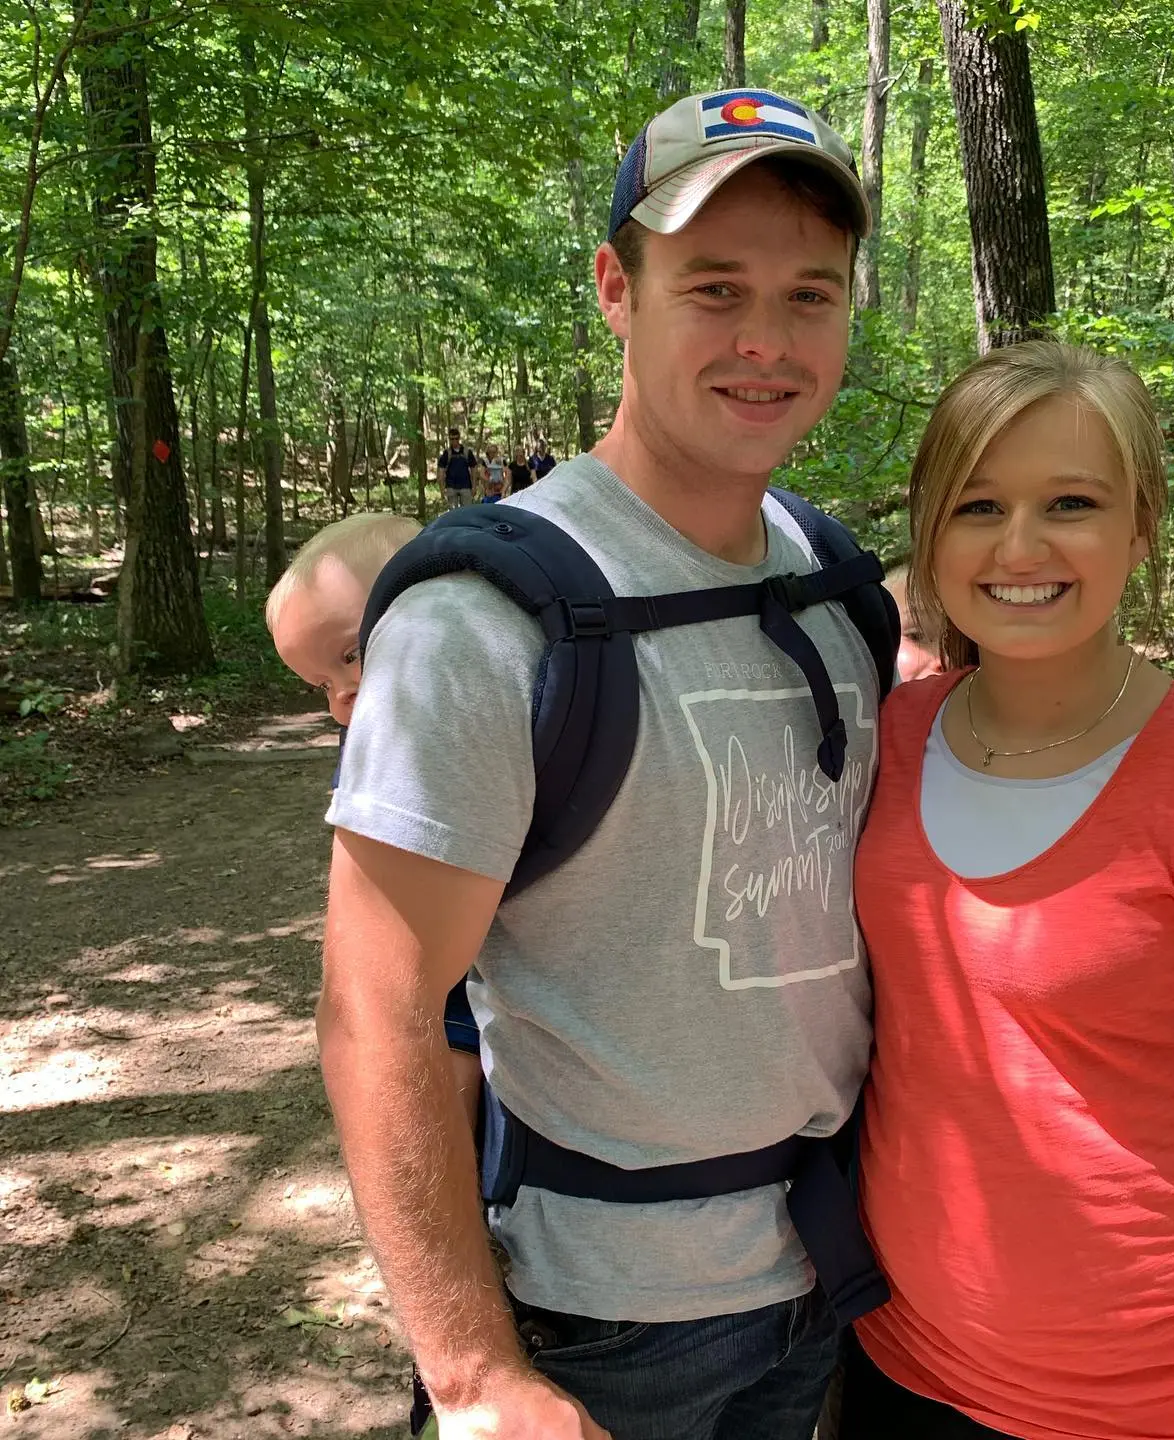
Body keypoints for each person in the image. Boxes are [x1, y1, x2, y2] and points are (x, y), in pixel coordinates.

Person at [319, 88, 883, 1440]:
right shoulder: (487, 624)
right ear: (615, 288)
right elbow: (375, 1016)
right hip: (601, 1324)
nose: (767, 339)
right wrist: (472, 1374)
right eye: (716, 287)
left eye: (812, 294)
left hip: (829, 1279)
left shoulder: (832, 581)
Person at [841, 342, 1174, 1440]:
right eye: (978, 505)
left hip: (1134, 1403)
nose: (1020, 546)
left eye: (1070, 502)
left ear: (1141, 524)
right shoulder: (886, 744)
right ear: (931, 534)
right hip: (897, 1360)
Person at [264, 512, 486, 1134]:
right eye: (320, 683)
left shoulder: (487, 690)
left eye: (352, 654)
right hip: (435, 941)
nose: (342, 696)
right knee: (440, 1043)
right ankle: (460, 1180)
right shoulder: (376, 741)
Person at [438, 428, 477, 509]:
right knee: (452, 512)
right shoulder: (447, 453)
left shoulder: (467, 452)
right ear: (449, 439)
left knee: (467, 511)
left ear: (459, 438)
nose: (454, 441)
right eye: (452, 439)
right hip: (451, 486)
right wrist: (442, 489)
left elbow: (474, 469)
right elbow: (440, 471)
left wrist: (474, 486)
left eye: (456, 438)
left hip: (466, 485)